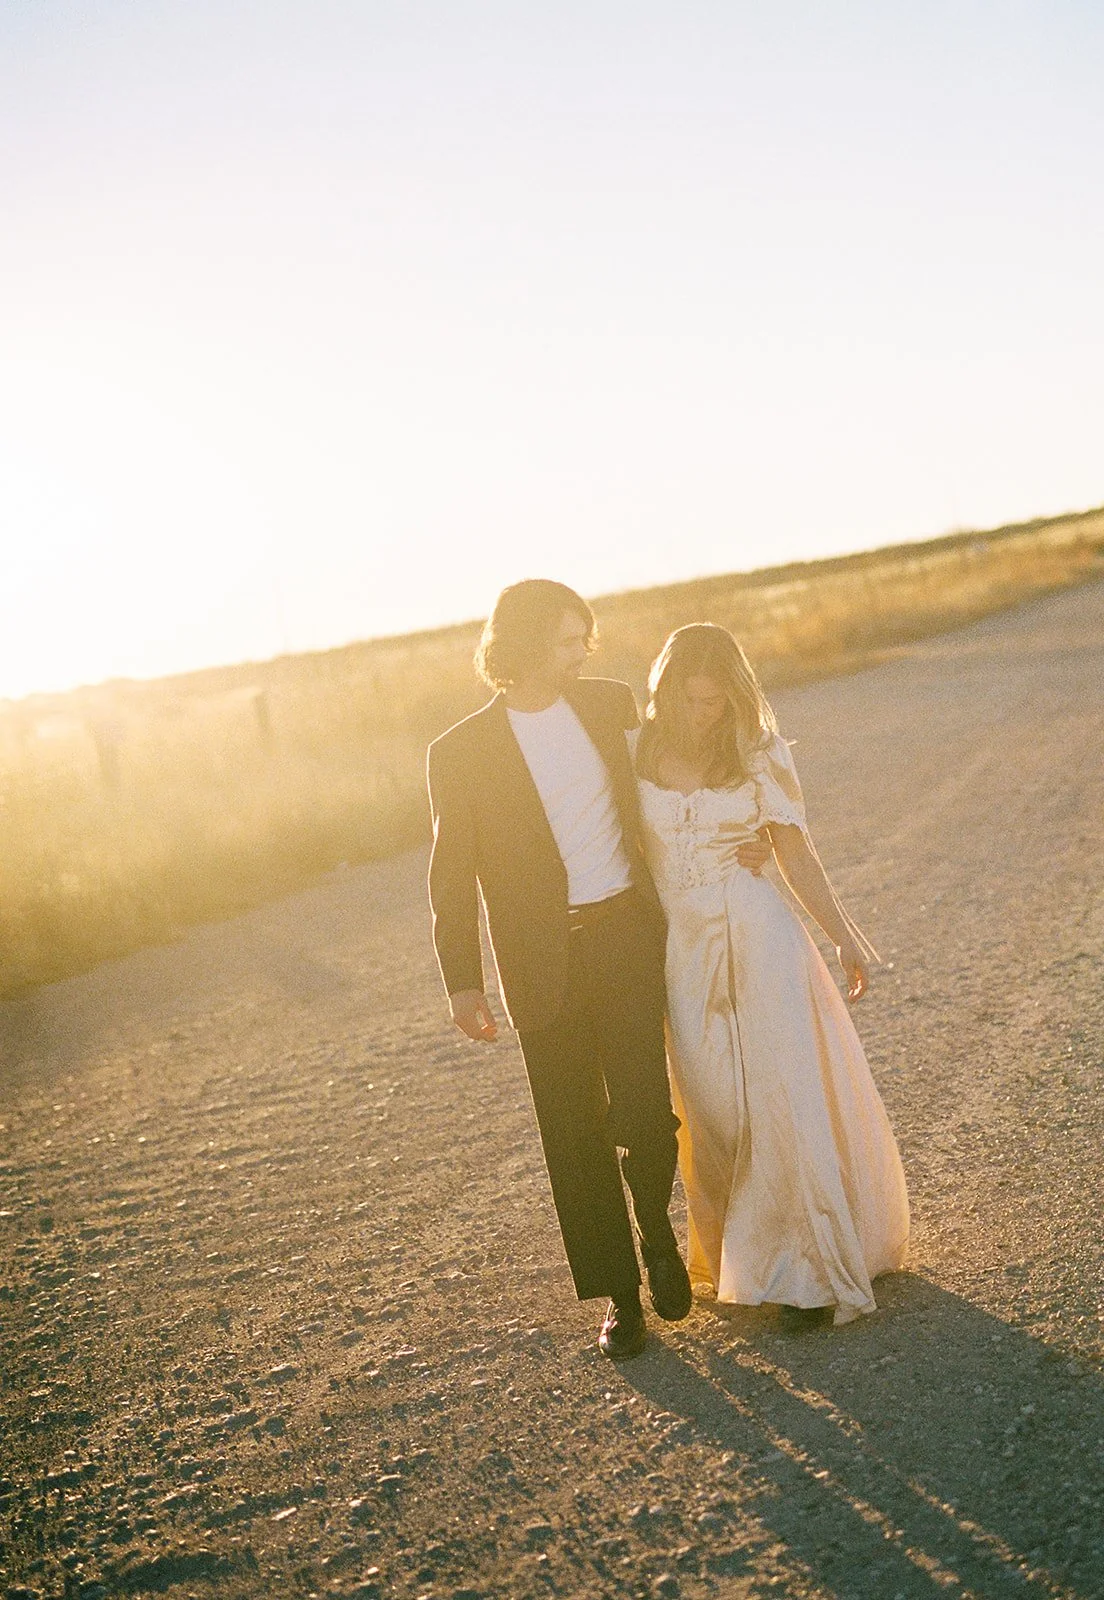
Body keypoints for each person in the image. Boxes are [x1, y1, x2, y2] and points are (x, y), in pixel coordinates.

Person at [426, 582, 771, 1357]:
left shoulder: (611, 705)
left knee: (647, 1115)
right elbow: (450, 878)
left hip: (625, 937)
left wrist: (746, 834)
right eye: (567, 640)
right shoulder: (458, 752)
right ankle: (620, 1295)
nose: (583, 651)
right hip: (539, 964)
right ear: (519, 645)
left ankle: (654, 1231)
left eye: (585, 636)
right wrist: (462, 981)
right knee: (573, 1139)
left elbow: (688, 764)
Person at [633, 623, 910, 1325]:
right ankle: (742, 1256)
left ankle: (804, 1273)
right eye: (690, 700)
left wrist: (844, 936)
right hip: (682, 955)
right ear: (665, 693)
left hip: (761, 940)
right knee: (715, 1106)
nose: (703, 714)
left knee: (779, 1100)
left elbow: (794, 851)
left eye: (715, 702)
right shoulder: (634, 750)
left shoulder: (758, 751)